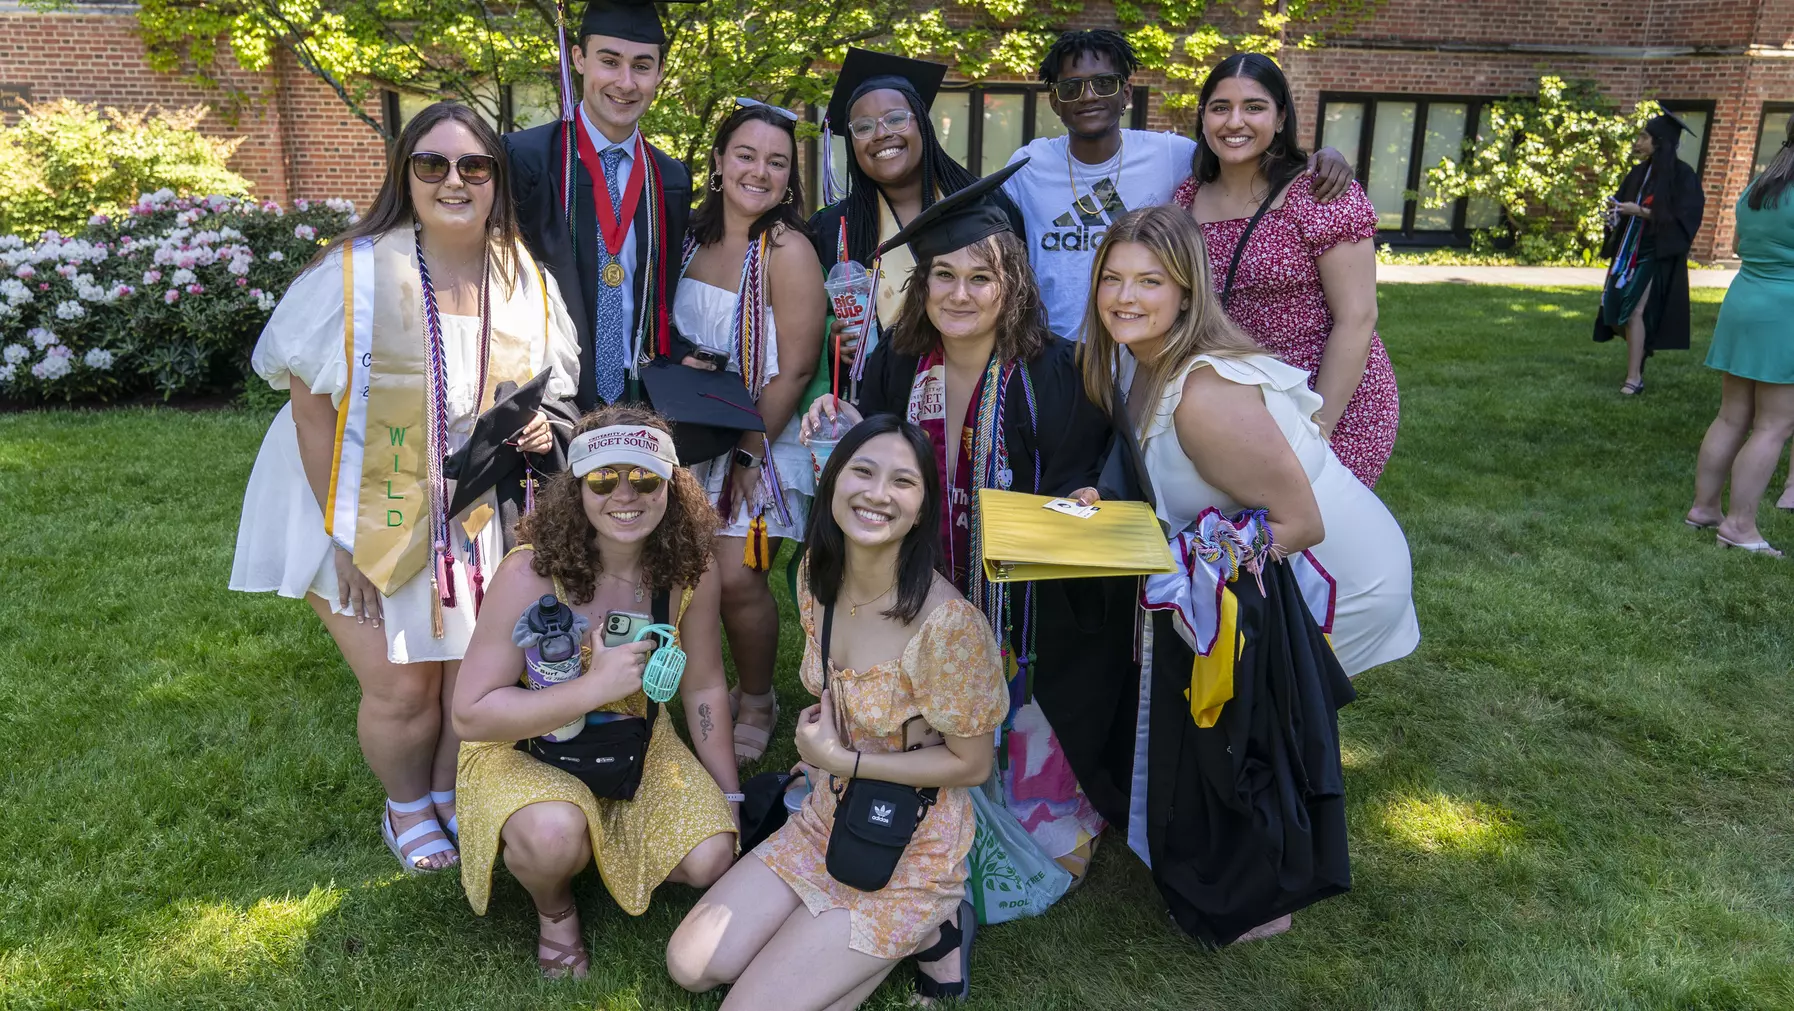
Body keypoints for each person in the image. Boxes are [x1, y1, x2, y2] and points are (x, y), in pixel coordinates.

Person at [230, 101, 581, 873]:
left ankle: (452, 789)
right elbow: (310, 407)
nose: (453, 180)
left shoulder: (522, 274)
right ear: (407, 175)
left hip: (470, 496)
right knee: (401, 684)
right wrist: (343, 531)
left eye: (473, 166)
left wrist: (532, 428)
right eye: (433, 164)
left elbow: (540, 388)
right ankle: (406, 803)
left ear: (496, 179)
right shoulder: (357, 273)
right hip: (356, 488)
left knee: (467, 667)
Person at [1077, 204, 1412, 941]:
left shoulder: (1205, 395)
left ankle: (1266, 893)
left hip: (1330, 576)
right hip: (1265, 559)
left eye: (1150, 282)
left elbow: (1299, 525)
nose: (1125, 297)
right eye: (1112, 278)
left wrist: (1178, 575)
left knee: (1251, 714)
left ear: (1188, 293)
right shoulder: (1142, 360)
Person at [801, 165, 1123, 891]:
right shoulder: (900, 357)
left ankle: (1027, 793)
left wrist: (1085, 495)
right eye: (942, 275)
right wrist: (849, 427)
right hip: (926, 592)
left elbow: (1091, 473)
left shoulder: (1056, 374)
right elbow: (879, 440)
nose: (959, 294)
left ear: (1013, 283)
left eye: (981, 278)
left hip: (1026, 606)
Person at [665, 414, 1009, 1008]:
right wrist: (829, 762)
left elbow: (973, 765)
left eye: (903, 482)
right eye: (863, 472)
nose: (877, 494)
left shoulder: (948, 625)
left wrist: (844, 759)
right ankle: (878, 944)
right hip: (826, 813)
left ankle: (932, 925)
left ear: (922, 507)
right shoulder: (815, 580)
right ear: (832, 482)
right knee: (689, 964)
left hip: (908, 842)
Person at [453, 407, 742, 977]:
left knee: (712, 857)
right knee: (554, 835)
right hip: (522, 743)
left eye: (645, 479)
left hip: (635, 737)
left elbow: (705, 686)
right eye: (605, 479)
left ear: (672, 487)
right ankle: (556, 909)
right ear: (577, 489)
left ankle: (599, 839)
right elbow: (471, 716)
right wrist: (593, 687)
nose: (625, 495)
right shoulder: (528, 576)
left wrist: (730, 797)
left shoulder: (688, 569)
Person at [1004, 30, 1354, 339]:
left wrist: (1319, 158)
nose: (1089, 95)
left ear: (1126, 94)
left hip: (1145, 349)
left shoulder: (1172, 155)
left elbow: (1243, 155)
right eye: (1071, 87)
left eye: (1104, 83)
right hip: (1057, 350)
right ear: (1054, 102)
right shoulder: (1027, 168)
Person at [679, 99, 828, 762]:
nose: (758, 172)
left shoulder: (787, 250)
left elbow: (794, 369)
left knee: (741, 577)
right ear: (717, 160)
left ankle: (760, 694)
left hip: (763, 440)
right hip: (692, 432)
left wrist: (744, 456)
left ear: (790, 177)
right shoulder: (688, 237)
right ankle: (701, 685)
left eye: (776, 161)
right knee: (690, 574)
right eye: (745, 154)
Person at [1172, 53, 1394, 487]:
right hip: (1242, 402)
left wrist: (1318, 428)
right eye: (1220, 108)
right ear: (1203, 118)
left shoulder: (1319, 195)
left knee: (1319, 535)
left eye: (1254, 107)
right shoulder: (1186, 199)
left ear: (1280, 118)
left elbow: (1358, 318)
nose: (1235, 121)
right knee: (1252, 540)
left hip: (1329, 398)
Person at [506, 0, 701, 409]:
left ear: (660, 72)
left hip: (639, 405)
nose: (626, 82)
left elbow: (658, 298)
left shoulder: (670, 179)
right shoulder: (525, 159)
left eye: (642, 66)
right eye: (609, 61)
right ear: (578, 58)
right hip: (547, 404)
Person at [808, 48, 1026, 375]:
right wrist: (830, 335)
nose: (881, 134)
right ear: (852, 144)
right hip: (876, 407)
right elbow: (809, 314)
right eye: (863, 126)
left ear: (922, 124)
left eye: (896, 118)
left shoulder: (987, 207)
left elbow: (1020, 303)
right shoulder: (832, 228)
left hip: (980, 398)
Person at [1685, 118, 1794, 555]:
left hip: (1744, 300)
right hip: (1785, 309)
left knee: (1732, 416)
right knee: (1775, 423)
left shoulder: (1760, 185)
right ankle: (1739, 525)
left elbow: (1737, 245)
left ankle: (1704, 509)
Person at [1595, 111, 1707, 396]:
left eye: (1644, 137)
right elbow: (1623, 204)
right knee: (1614, 309)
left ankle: (1634, 378)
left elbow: (1684, 217)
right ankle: (1640, 349)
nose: (1638, 142)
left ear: (1661, 142)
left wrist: (1641, 212)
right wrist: (1614, 213)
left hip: (1654, 251)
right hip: (1627, 249)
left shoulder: (1683, 177)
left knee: (1635, 311)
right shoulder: (1639, 172)